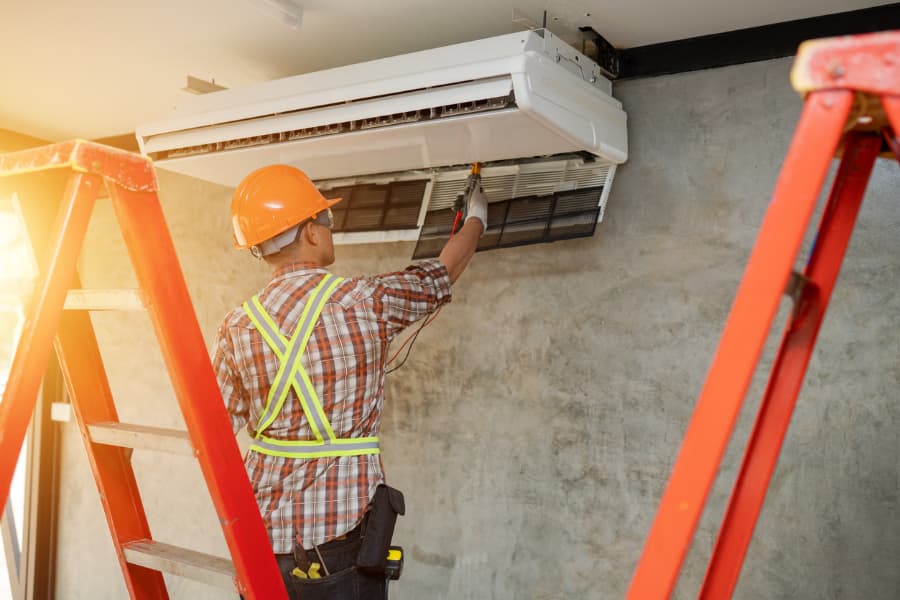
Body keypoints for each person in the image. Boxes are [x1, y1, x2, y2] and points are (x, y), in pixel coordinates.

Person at [213, 164, 485, 599]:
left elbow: (216, 432)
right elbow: (440, 275)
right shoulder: (363, 302)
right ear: (312, 232)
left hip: (261, 543)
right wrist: (476, 219)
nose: (330, 230)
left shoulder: (237, 326)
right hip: (337, 544)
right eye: (327, 221)